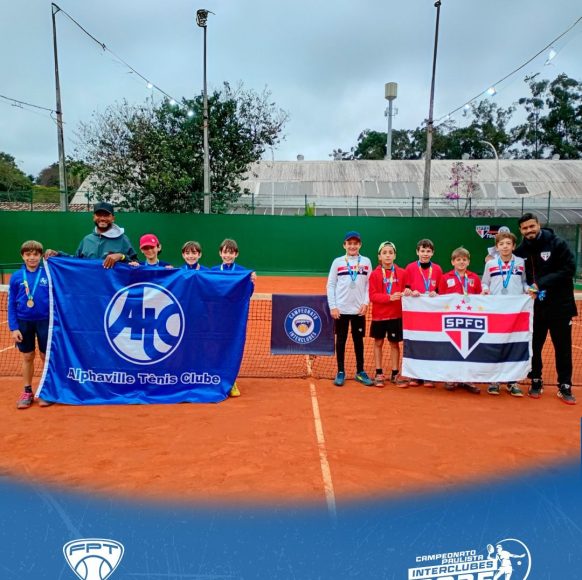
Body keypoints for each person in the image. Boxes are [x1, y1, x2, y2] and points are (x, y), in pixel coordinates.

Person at [514, 213, 577, 405]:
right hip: (535, 309)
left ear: (538, 225)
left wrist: (541, 283)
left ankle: (564, 385)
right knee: (534, 346)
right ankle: (536, 379)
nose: (529, 230)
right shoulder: (520, 251)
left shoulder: (557, 243)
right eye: (525, 228)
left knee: (563, 348)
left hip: (560, 306)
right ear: (521, 231)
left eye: (531, 226)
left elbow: (569, 269)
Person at [482, 231, 529, 397]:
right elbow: (485, 282)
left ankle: (512, 381)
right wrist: (485, 290)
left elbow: (524, 281)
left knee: (514, 344)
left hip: (516, 311)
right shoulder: (490, 264)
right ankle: (494, 380)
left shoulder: (521, 262)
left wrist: (527, 289)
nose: (505, 247)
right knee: (496, 344)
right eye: (501, 244)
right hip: (496, 311)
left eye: (508, 243)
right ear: (497, 247)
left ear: (514, 246)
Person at [8, 240, 52, 409]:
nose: (32, 258)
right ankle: (27, 391)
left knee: (45, 356)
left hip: (45, 322)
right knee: (27, 356)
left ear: (41, 256)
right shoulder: (17, 276)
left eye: (35, 254)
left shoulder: (48, 273)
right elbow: (11, 303)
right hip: (23, 322)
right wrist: (14, 328)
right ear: (22, 256)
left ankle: (46, 391)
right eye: (28, 254)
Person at [326, 231, 374, 387]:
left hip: (359, 310)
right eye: (349, 243)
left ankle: (360, 371)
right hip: (341, 310)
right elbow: (331, 285)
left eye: (355, 243)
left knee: (358, 341)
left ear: (360, 245)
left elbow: (369, 284)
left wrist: (365, 303)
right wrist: (333, 306)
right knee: (340, 341)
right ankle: (340, 371)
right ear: (344, 245)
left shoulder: (366, 262)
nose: (352, 246)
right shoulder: (338, 262)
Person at [211, 238, 256, 397]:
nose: (228, 256)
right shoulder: (213, 271)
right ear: (220, 253)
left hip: (235, 320)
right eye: (225, 252)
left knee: (232, 349)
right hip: (216, 318)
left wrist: (251, 281)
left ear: (236, 254)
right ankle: (215, 379)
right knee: (215, 349)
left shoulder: (243, 272)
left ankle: (231, 381)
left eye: (231, 253)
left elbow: (248, 294)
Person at [437, 247, 482, 394]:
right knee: (452, 348)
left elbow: (479, 298)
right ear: (452, 262)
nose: (461, 262)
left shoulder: (475, 278)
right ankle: (451, 378)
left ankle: (468, 379)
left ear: (468, 262)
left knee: (470, 348)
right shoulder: (445, 277)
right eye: (458, 260)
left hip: (470, 320)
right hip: (452, 320)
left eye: (464, 260)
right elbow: (441, 298)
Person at [45, 201, 137, 267]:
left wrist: (121, 256)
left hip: (113, 288)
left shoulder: (123, 239)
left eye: (106, 215)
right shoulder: (87, 240)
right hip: (90, 287)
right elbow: (76, 261)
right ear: (94, 217)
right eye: (99, 215)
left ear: (113, 218)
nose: (102, 218)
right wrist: (58, 255)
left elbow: (136, 264)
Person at [402, 238, 443, 387]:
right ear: (417, 252)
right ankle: (415, 375)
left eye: (428, 251)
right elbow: (406, 288)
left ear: (432, 253)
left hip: (431, 314)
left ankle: (429, 375)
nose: (425, 254)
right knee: (415, 342)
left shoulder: (437, 269)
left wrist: (436, 293)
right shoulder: (410, 267)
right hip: (415, 314)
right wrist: (410, 291)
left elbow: (441, 290)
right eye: (422, 251)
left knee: (430, 343)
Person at [368, 241, 407, 387]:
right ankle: (379, 373)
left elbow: (407, 289)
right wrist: (389, 297)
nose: (388, 255)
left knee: (394, 344)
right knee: (378, 343)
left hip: (396, 316)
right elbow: (372, 296)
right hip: (379, 316)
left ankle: (395, 374)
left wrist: (408, 291)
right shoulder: (374, 274)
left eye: (391, 252)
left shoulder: (402, 273)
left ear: (395, 255)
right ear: (379, 256)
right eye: (384, 253)